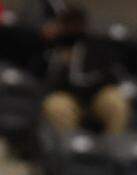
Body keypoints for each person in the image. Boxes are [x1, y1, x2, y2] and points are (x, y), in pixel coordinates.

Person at [39, 5, 130, 135]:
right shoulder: (55, 46)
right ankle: (67, 145)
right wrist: (47, 44)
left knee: (116, 102)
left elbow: (111, 74)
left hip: (97, 94)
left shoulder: (97, 45)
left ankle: (113, 143)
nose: (73, 27)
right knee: (55, 106)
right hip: (67, 96)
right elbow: (41, 75)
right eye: (68, 24)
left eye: (76, 23)